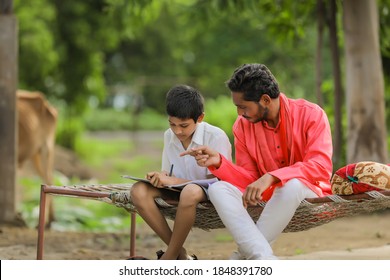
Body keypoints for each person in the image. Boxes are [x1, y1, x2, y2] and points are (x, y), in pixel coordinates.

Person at [181, 63, 333, 260]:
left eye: (243, 107)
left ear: (265, 100)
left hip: (308, 189)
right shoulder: (242, 126)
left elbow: (320, 166)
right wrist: (219, 162)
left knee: (292, 185)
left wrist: (272, 177)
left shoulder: (311, 114)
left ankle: (242, 257)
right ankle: (263, 258)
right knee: (219, 189)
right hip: (266, 194)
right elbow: (250, 179)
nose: (239, 113)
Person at [130, 84, 232, 260]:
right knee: (138, 190)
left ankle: (169, 258)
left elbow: (223, 181)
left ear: (200, 118)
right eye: (172, 124)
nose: (177, 131)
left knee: (190, 192)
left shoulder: (215, 136)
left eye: (184, 125)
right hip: (177, 189)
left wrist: (174, 182)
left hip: (206, 191)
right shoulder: (169, 135)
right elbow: (167, 172)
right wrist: (160, 178)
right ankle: (181, 255)